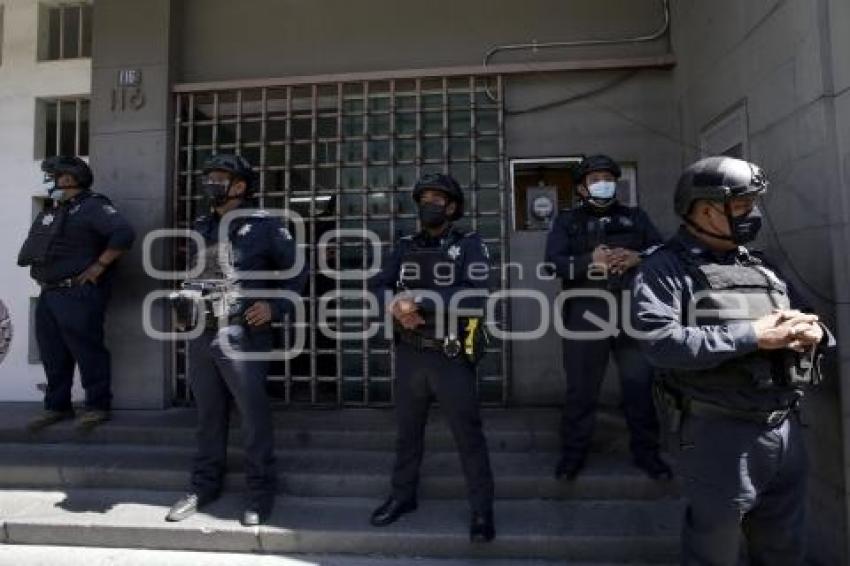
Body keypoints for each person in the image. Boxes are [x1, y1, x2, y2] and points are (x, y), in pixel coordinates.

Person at [632, 156, 833, 565]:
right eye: (741, 207)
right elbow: (659, 342)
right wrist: (755, 334)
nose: (752, 215)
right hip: (718, 435)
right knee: (714, 550)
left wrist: (817, 335)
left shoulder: (762, 267)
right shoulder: (664, 268)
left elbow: (815, 322)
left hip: (784, 429)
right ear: (704, 209)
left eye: (753, 204)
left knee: (784, 548)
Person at [165, 154, 305, 526]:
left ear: (240, 185)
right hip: (201, 332)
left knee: (253, 416)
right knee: (208, 416)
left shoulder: (266, 225)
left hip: (243, 333)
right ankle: (203, 487)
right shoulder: (201, 224)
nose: (211, 182)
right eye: (208, 176)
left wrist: (275, 307)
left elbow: (298, 274)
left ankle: (260, 494)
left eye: (219, 177)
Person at [368, 173, 496, 542]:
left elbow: (476, 297)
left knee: (467, 435)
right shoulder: (406, 244)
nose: (429, 205)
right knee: (407, 434)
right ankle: (402, 496)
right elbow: (378, 283)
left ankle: (481, 510)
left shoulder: (470, 244)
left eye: (437, 200)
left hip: (450, 355)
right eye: (424, 199)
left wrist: (419, 300)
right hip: (410, 354)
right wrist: (394, 305)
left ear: (452, 207)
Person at [544, 154, 670, 480]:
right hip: (586, 312)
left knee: (639, 387)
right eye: (595, 179)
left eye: (608, 178)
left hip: (631, 311)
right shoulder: (567, 221)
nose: (603, 184)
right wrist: (590, 260)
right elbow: (552, 263)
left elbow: (663, 252)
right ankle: (573, 456)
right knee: (581, 390)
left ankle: (648, 455)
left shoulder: (635, 217)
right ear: (582, 188)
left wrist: (636, 257)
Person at [18, 156, 135, 432]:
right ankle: (57, 406)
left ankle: (97, 406)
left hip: (78, 293)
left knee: (87, 350)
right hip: (49, 294)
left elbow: (123, 233)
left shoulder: (93, 205)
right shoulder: (57, 209)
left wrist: (100, 265)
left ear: (68, 179)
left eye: (52, 175)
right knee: (52, 352)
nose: (48, 181)